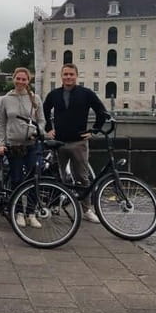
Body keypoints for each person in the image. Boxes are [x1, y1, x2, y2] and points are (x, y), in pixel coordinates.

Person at [43, 63, 107, 223]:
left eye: (71, 74)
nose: (68, 77)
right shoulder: (54, 95)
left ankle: (86, 210)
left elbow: (102, 112)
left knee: (82, 178)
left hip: (79, 142)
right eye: (65, 74)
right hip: (58, 142)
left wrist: (94, 130)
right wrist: (49, 128)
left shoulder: (86, 94)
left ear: (76, 76)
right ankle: (53, 205)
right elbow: (44, 110)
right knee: (57, 176)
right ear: (61, 76)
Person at [0, 67, 46, 229]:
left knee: (34, 178)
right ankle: (18, 212)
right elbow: (1, 124)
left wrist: (37, 132)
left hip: (32, 144)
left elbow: (42, 121)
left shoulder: (35, 98)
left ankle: (31, 213)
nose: (20, 82)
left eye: (24, 79)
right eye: (18, 78)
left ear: (28, 81)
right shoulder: (5, 99)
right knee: (16, 179)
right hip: (14, 145)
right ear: (13, 79)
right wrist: (1, 143)